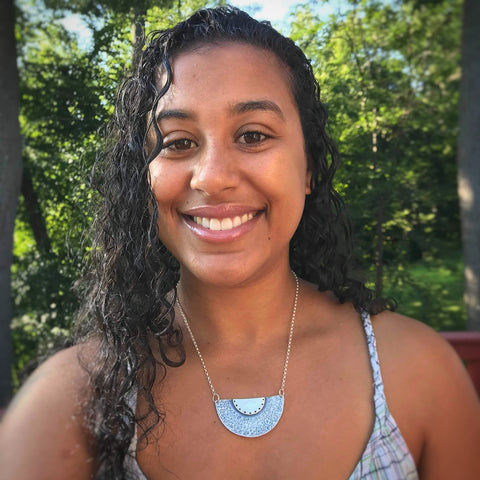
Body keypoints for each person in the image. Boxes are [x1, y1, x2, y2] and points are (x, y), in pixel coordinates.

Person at [1, 6, 479, 480]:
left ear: (309, 166)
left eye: (252, 135)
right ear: (143, 178)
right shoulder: (78, 396)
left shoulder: (418, 371)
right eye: (177, 142)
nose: (212, 178)